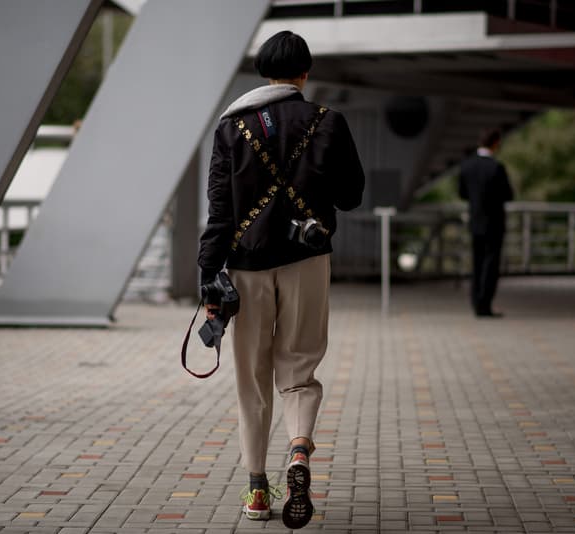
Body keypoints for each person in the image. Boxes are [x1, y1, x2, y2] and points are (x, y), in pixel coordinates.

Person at [197, 31, 364, 529]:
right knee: (299, 368)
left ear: (263, 71)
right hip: (307, 262)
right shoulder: (328, 121)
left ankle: (256, 490)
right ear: (304, 74)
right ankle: (298, 450)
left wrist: (208, 276)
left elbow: (220, 211)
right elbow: (351, 196)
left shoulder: (231, 127)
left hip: (246, 268)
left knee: (253, 379)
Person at [458, 129, 515, 318]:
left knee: (477, 263)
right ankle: (485, 304)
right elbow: (508, 194)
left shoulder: (467, 166)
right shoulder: (496, 167)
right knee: (491, 264)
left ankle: (476, 302)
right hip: (494, 222)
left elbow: (462, 193)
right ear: (495, 143)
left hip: (475, 221)